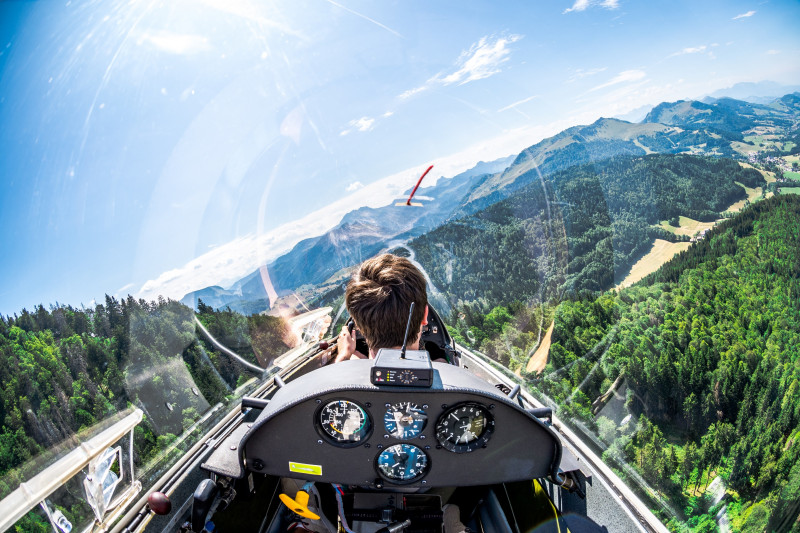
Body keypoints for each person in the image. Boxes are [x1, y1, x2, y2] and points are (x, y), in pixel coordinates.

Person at [335, 253, 429, 363]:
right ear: (425, 315)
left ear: (356, 324)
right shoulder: (448, 375)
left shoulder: (344, 373)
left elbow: (334, 378)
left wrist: (343, 356)